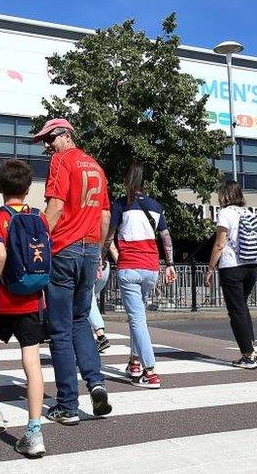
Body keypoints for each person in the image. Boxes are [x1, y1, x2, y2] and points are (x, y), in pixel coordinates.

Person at [32, 118, 112, 425]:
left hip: (64, 249)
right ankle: (96, 383)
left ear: (66, 135)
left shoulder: (61, 161)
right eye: (45, 141)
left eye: (50, 138)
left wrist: (35, 243)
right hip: (91, 248)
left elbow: (54, 207)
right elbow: (105, 215)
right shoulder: (95, 166)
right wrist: (100, 251)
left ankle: (67, 404)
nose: (48, 145)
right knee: (81, 321)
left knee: (60, 329)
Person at [0, 159, 48, 457]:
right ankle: (33, 433)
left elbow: (0, 254)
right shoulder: (39, 219)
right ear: (28, 189)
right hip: (32, 300)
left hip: (3, 300)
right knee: (32, 361)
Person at [107, 162, 176, 388]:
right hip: (150, 269)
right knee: (138, 319)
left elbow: (109, 236)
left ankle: (150, 371)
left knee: (137, 320)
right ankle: (134, 362)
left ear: (127, 181)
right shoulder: (156, 206)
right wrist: (170, 264)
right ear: (144, 184)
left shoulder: (120, 204)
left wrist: (101, 257)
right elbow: (165, 237)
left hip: (129, 268)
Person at [205, 180, 257, 369]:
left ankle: (248, 355)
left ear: (224, 195)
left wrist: (210, 268)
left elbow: (220, 243)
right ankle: (250, 345)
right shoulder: (249, 212)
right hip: (252, 266)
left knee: (236, 310)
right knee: (242, 307)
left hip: (232, 267)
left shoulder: (226, 213)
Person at [88, 259, 111, 352]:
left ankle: (100, 336)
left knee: (88, 299)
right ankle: (89, 339)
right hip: (105, 267)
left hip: (93, 264)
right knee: (90, 299)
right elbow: (112, 248)